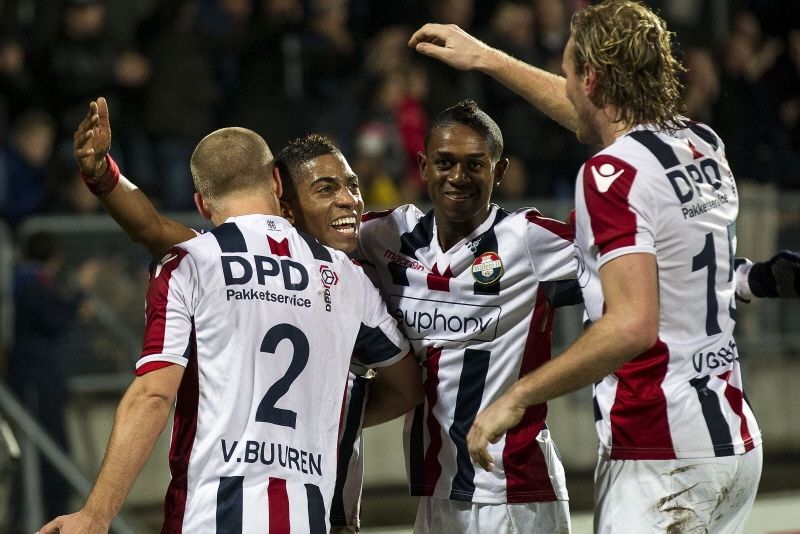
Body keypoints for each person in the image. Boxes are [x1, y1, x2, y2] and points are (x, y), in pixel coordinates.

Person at [409, 1, 800, 530]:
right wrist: (487, 58)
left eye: (569, 73)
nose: (565, 87)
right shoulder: (701, 145)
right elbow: (682, 269)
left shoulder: (610, 174)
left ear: (591, 79)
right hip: (732, 442)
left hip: (661, 453)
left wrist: (518, 396)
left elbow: (632, 325)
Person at [65, 97, 423, 533]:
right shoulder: (349, 280)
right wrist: (324, 416)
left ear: (201, 204)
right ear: (278, 187)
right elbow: (408, 386)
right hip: (311, 515)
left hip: (210, 516)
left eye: (352, 186)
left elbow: (154, 395)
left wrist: (96, 514)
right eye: (326, 189)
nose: (349, 201)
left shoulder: (193, 262)